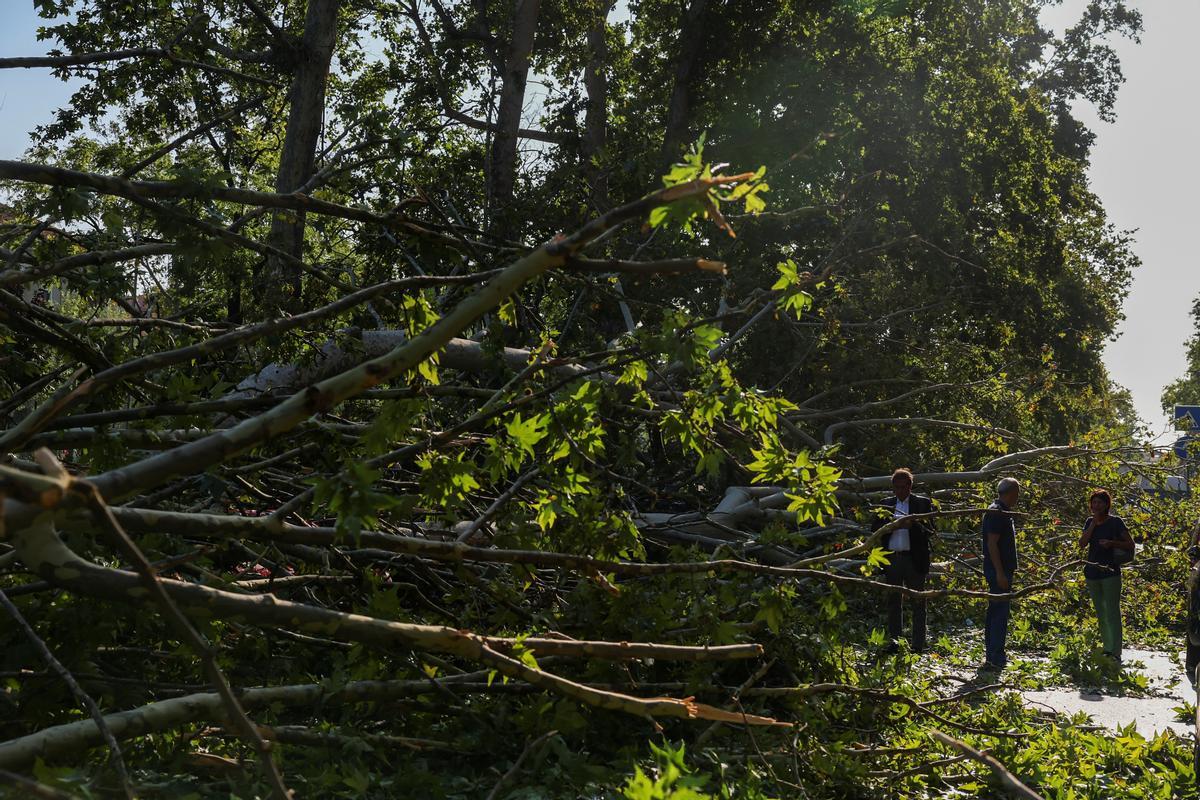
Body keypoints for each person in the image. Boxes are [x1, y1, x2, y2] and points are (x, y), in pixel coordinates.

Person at [872, 468, 934, 653]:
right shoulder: (886, 504)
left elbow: (931, 530)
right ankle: (895, 643)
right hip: (892, 559)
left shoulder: (922, 503)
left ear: (910, 486)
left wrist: (912, 525)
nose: (898, 491)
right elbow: (874, 527)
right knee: (893, 602)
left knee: (918, 602)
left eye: (902, 487)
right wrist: (890, 526)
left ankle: (917, 645)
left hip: (914, 559)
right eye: (895, 487)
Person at [1078, 489, 1133, 661]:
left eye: (1100, 502)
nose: (1096, 506)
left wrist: (1111, 543)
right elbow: (1082, 543)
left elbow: (1130, 544)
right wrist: (1093, 524)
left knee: (1112, 612)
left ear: (1107, 504)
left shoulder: (1115, 522)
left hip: (1110, 572)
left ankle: (1115, 651)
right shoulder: (1089, 522)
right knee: (1101, 612)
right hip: (1092, 572)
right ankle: (1107, 647)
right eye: (1094, 502)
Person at [981, 477, 1020, 670]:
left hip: (1001, 569)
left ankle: (993, 653)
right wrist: (1000, 573)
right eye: (1017, 493)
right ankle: (995, 655)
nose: (1017, 497)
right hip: (998, 570)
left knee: (996, 610)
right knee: (999, 613)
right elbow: (992, 543)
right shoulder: (997, 512)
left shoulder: (1002, 510)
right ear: (1012, 492)